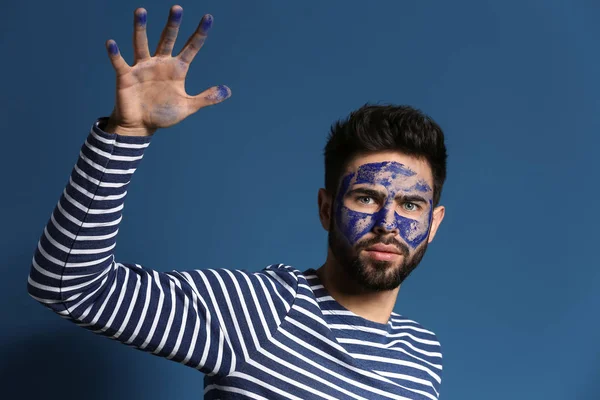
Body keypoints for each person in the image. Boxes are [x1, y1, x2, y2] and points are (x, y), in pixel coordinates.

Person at [28, 5, 447, 400]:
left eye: (411, 205)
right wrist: (126, 133)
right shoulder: (260, 312)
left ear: (434, 222)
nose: (388, 223)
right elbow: (70, 287)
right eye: (366, 197)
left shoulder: (422, 356)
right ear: (326, 208)